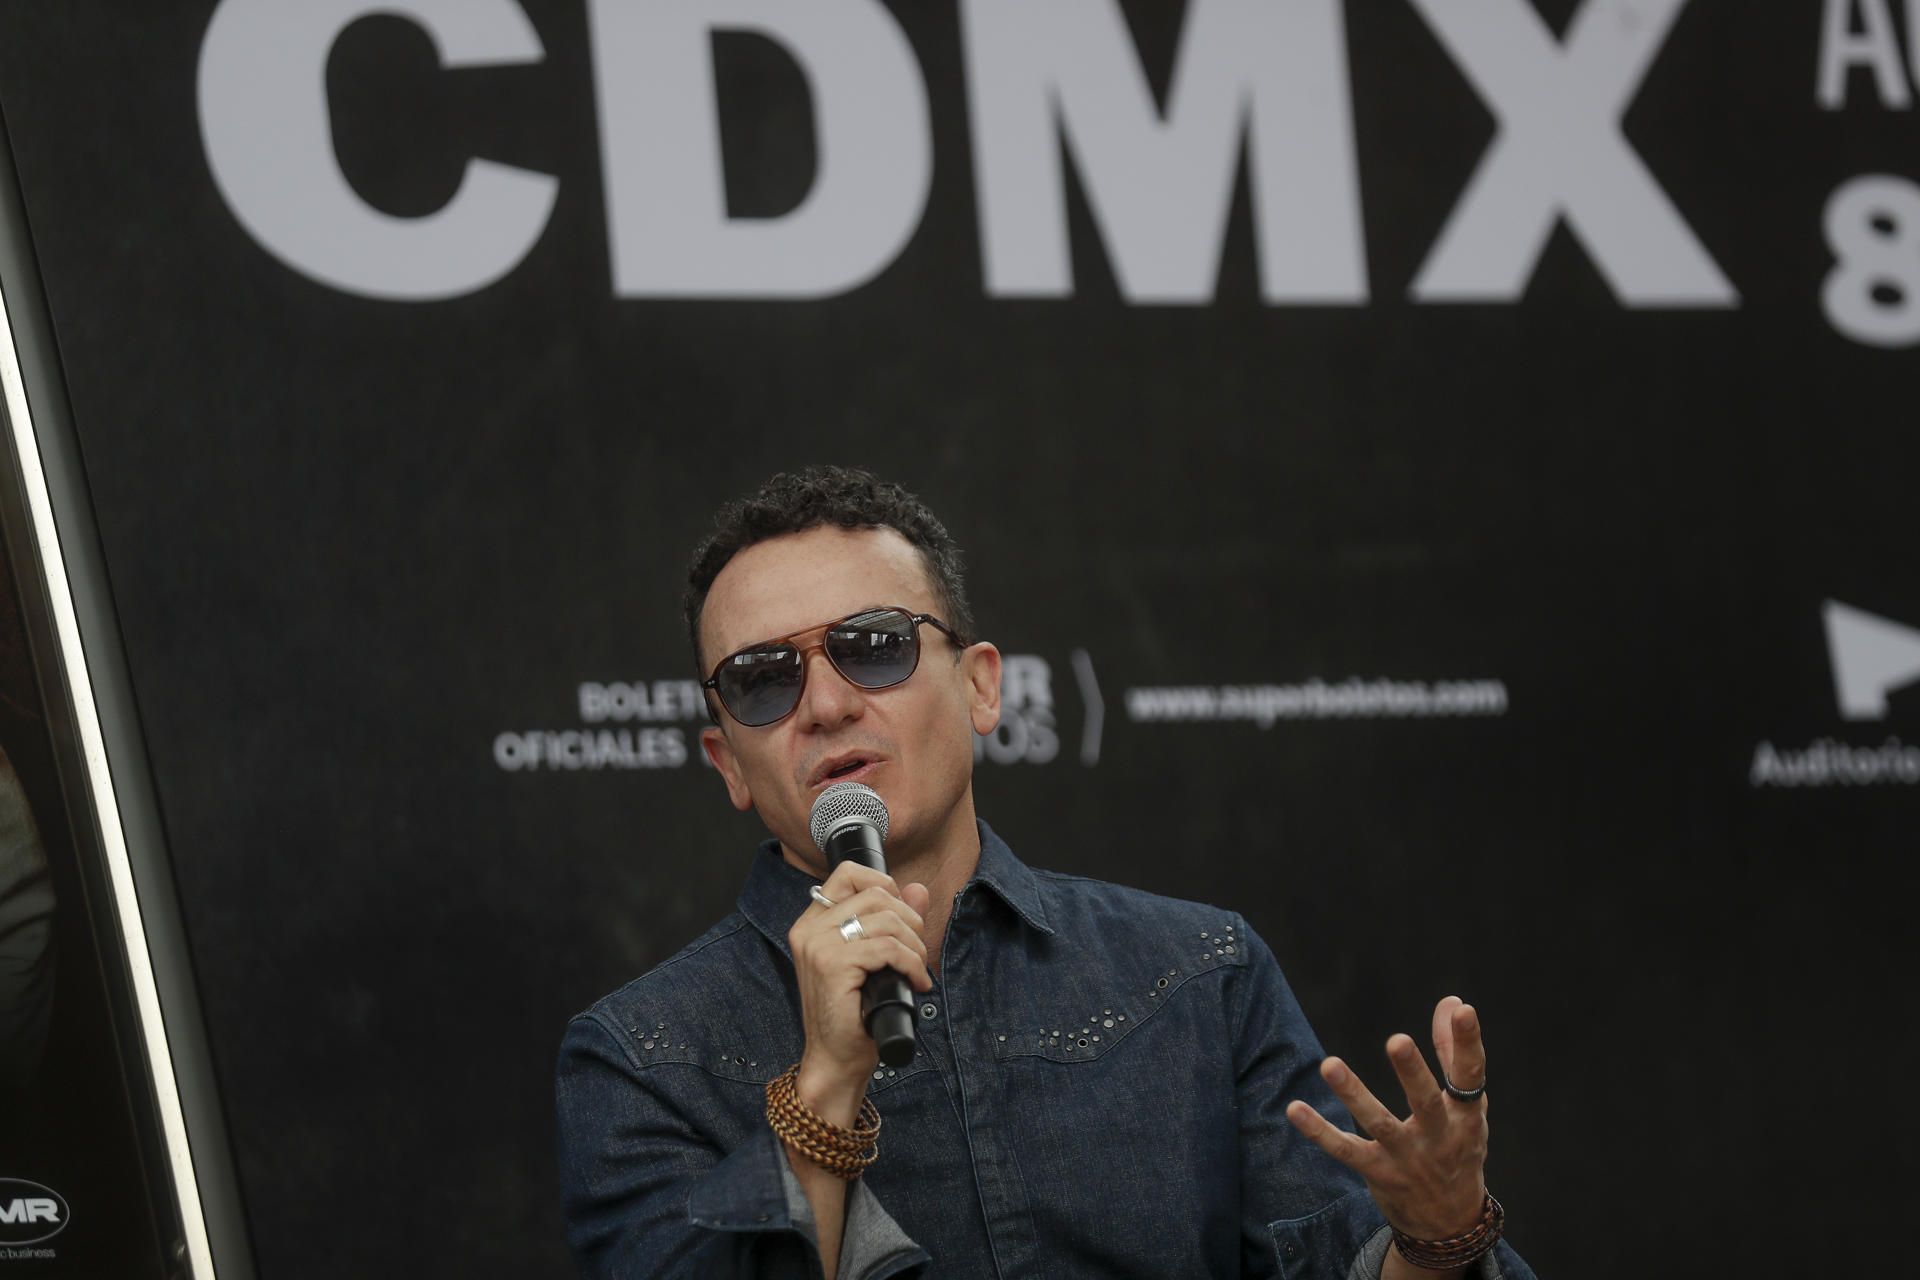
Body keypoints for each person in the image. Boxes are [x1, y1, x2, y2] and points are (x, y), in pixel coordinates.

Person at [556, 467, 1535, 1280]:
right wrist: (823, 1089)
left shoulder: (1197, 971)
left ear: (982, 685)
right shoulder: (640, 1054)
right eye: (763, 678)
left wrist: (1435, 1238)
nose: (823, 702)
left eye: (873, 646)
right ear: (727, 759)